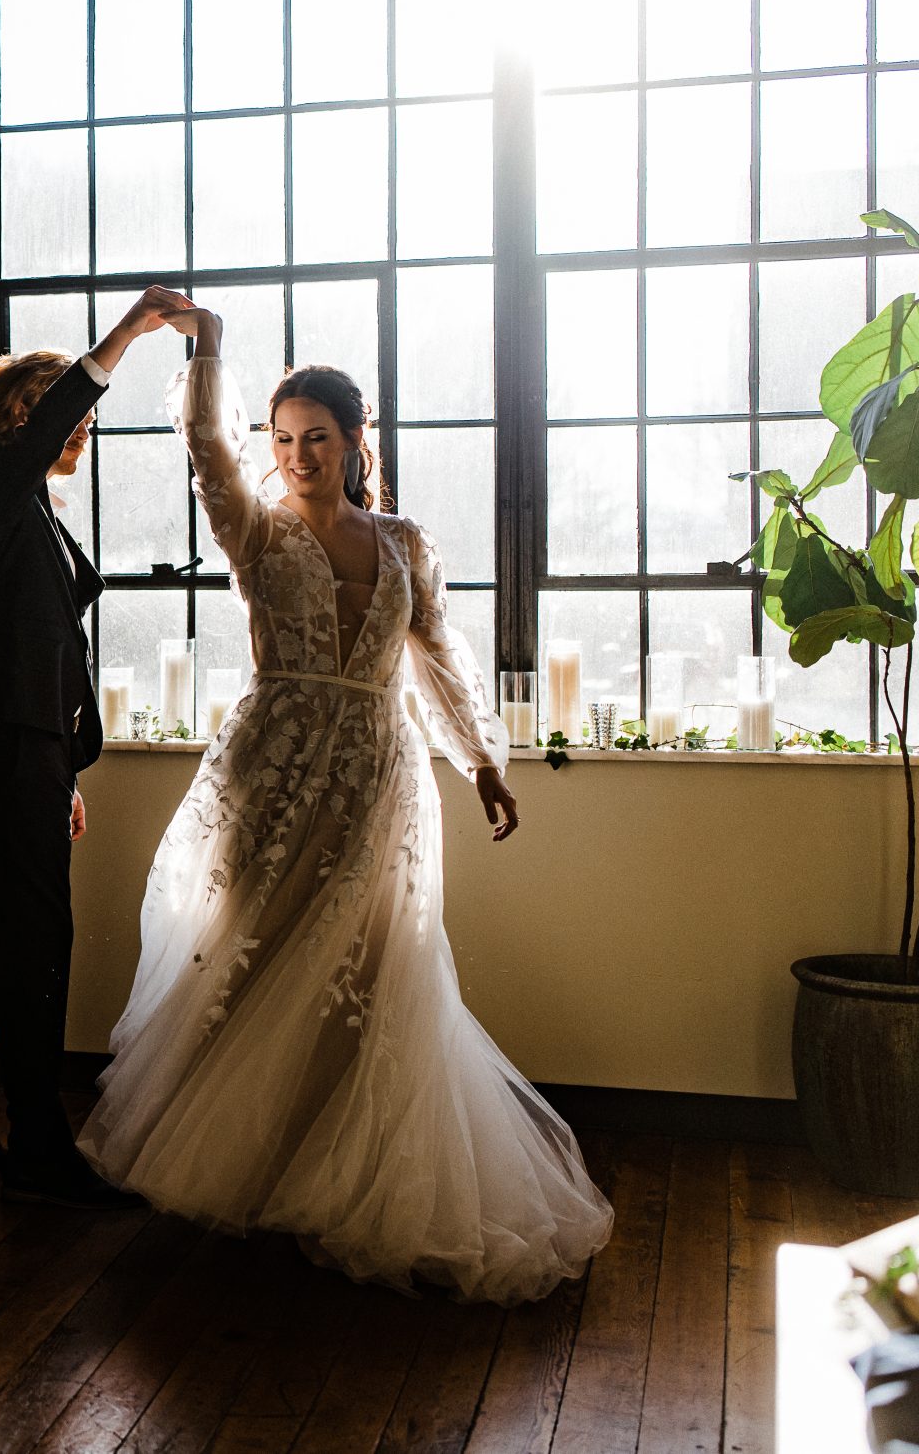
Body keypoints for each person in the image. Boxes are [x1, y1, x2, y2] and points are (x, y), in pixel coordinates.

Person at [77, 294, 612, 1299]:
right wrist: (209, 348)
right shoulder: (255, 533)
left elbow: (441, 662)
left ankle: (339, 1176)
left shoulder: (405, 544)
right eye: (282, 440)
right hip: (272, 769)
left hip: (376, 773)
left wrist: (482, 763)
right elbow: (203, 443)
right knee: (255, 951)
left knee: (368, 968)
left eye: (315, 438)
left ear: (354, 440)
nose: (297, 455)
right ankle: (251, 1169)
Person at [0, 288, 184, 1209]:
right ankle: (38, 1142)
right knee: (35, 938)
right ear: (25, 415)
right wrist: (127, 335)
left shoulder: (27, 506)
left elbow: (47, 638)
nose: (79, 436)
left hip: (26, 752)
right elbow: (62, 415)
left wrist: (64, 767)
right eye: (62, 416)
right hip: (6, 748)